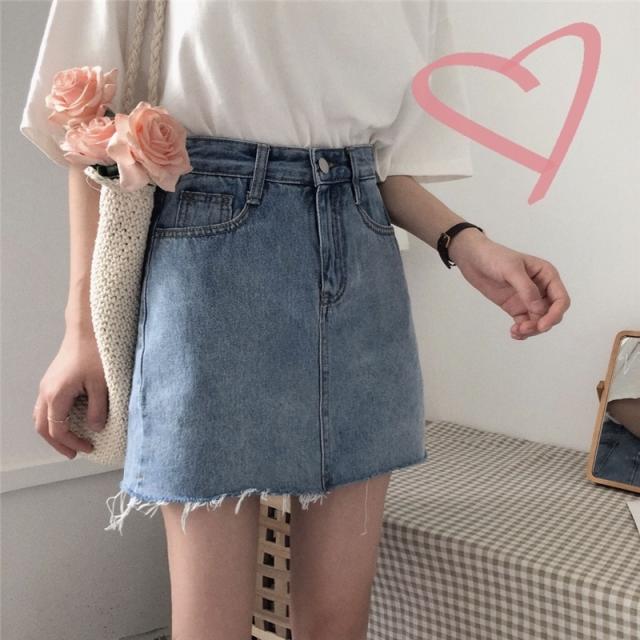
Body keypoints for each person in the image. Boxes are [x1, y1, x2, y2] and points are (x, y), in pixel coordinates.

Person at [21, 1, 571, 638]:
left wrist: (467, 243)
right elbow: (87, 130)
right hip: (207, 261)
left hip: (360, 260)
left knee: (338, 624)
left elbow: (383, 167)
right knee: (210, 625)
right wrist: (81, 331)